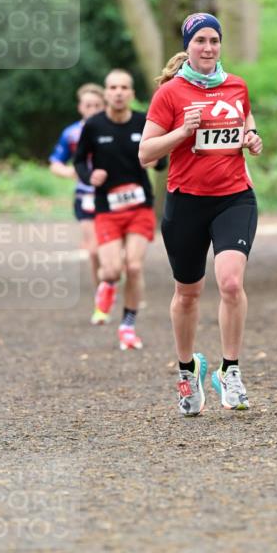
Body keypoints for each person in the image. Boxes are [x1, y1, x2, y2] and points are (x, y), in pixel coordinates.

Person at [139, 12, 263, 416]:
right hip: (186, 203)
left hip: (234, 198)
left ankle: (231, 371)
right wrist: (181, 132)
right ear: (188, 46)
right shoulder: (170, 94)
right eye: (200, 41)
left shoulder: (237, 85)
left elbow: (246, 120)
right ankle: (188, 371)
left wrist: (251, 137)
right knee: (187, 294)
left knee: (231, 283)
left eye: (214, 40)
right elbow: (145, 153)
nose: (208, 48)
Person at [74, 69, 166, 350]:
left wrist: (155, 161)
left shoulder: (143, 122)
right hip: (107, 208)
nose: (118, 92)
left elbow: (161, 160)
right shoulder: (94, 125)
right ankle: (108, 285)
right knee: (112, 270)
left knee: (134, 267)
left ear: (132, 93)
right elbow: (79, 161)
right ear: (106, 93)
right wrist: (90, 176)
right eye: (113, 87)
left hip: (139, 206)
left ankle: (127, 326)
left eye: (124, 87)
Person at [48, 83, 105, 289]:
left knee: (113, 250)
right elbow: (55, 163)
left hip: (114, 195)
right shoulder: (71, 133)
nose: (93, 110)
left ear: (104, 106)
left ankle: (112, 275)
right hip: (85, 196)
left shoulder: (114, 128)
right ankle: (102, 293)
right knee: (94, 250)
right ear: (80, 107)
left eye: (97, 105)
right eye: (88, 105)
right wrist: (72, 172)